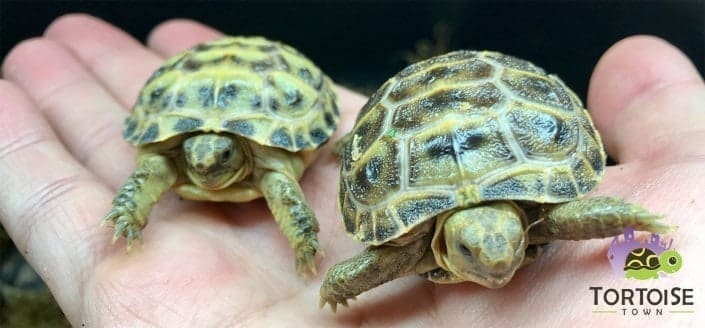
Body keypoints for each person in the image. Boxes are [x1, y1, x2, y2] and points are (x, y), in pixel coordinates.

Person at [0, 14, 702, 326]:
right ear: (442, 241)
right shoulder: (407, 238)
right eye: (471, 248)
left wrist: (660, 265)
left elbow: (607, 230)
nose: (494, 263)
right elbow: (362, 269)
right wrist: (334, 280)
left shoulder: (547, 220)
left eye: (504, 245)